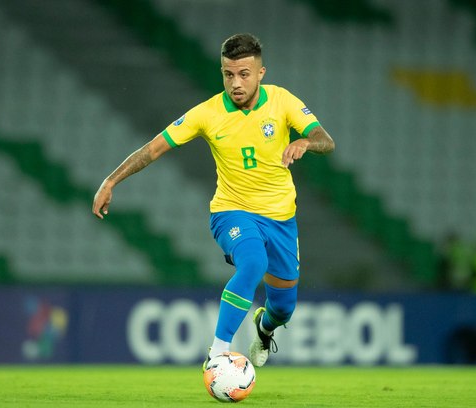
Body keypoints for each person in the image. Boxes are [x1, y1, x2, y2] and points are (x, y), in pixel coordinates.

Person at [92, 33, 335, 368]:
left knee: (283, 308)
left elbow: (325, 140)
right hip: (231, 212)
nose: (235, 83)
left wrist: (307, 142)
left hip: (281, 219)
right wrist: (110, 180)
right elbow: (153, 149)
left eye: (244, 74)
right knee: (253, 263)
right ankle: (218, 354)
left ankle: (264, 328)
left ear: (260, 73)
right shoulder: (207, 113)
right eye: (228, 74)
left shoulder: (282, 101)